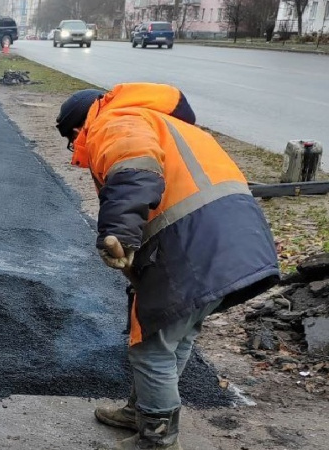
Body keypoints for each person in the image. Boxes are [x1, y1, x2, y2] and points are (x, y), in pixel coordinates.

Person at [55, 83, 279, 450]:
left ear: (80, 127)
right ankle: (142, 409)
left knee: (150, 345)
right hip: (237, 235)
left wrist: (120, 234)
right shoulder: (159, 120)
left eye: (74, 139)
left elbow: (134, 169)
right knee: (178, 333)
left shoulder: (114, 120)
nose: (77, 147)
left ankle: (157, 439)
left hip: (192, 240)